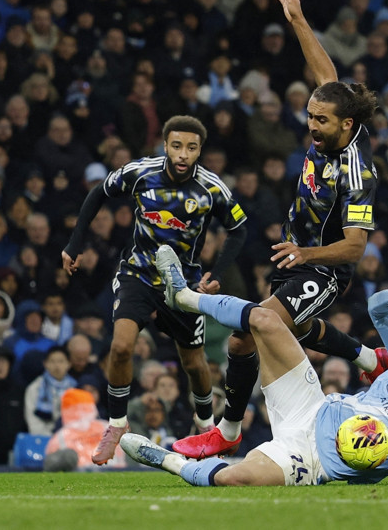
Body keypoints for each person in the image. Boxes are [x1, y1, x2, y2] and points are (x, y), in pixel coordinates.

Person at [175, 0, 387, 460]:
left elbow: (356, 246)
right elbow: (324, 70)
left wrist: (305, 253)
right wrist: (297, 18)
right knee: (278, 332)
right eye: (310, 115)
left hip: (324, 267)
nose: (312, 126)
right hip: (294, 254)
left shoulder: (357, 172)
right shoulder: (336, 113)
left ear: (347, 125)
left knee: (252, 331)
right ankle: (368, 357)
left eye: (321, 120)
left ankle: (228, 432)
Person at [120, 252, 388, 486]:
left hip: (314, 460)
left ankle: (169, 460)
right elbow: (378, 309)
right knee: (265, 320)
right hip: (313, 407)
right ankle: (185, 297)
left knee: (238, 478)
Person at [61, 115, 249, 465]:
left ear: (199, 151)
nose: (183, 154)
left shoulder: (212, 188)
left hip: (183, 284)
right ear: (165, 146)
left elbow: (239, 229)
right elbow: (98, 193)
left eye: (191, 148)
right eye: (176, 145)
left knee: (194, 364)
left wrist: (217, 273)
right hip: (139, 274)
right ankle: (117, 425)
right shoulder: (140, 173)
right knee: (120, 347)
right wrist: (75, 244)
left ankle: (207, 428)